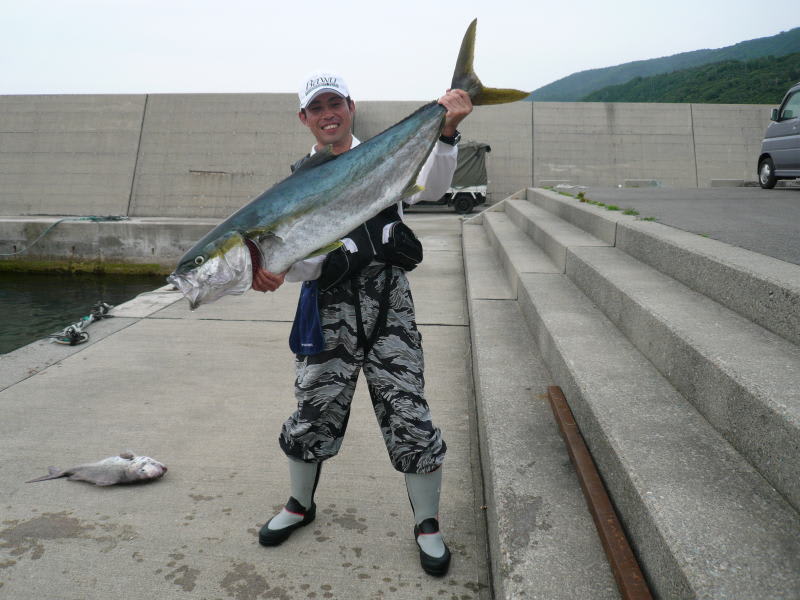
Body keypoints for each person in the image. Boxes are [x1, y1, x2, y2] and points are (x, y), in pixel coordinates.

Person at [253, 71, 472, 577]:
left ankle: (428, 524)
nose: (328, 114)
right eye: (317, 107)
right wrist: (279, 270)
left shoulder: (384, 158)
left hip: (388, 304)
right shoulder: (296, 182)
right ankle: (299, 505)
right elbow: (300, 260)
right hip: (326, 310)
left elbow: (432, 188)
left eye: (336, 103)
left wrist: (445, 134)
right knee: (313, 406)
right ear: (304, 118)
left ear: (351, 107)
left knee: (408, 409)